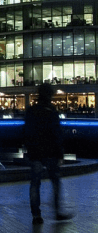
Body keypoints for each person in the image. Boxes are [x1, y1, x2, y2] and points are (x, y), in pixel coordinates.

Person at [23, 83, 72, 224]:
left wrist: (29, 149)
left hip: (35, 153)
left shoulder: (31, 111)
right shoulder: (51, 110)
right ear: (50, 95)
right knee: (55, 182)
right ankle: (57, 211)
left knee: (35, 183)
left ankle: (36, 215)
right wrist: (60, 154)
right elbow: (57, 134)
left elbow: (26, 132)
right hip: (51, 152)